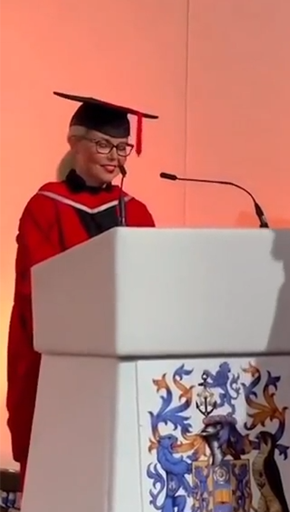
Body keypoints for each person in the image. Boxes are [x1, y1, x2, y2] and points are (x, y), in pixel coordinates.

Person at [5, 91, 158, 489]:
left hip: (122, 360)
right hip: (60, 357)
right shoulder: (45, 207)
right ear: (74, 143)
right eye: (103, 144)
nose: (114, 156)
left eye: (123, 147)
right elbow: (36, 288)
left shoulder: (136, 212)